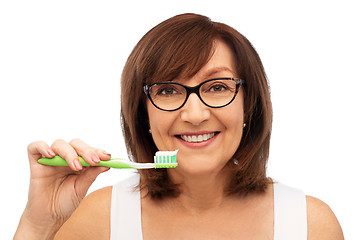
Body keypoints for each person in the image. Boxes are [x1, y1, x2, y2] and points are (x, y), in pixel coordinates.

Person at [14, 13, 343, 239]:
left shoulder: (310, 224)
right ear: (144, 114)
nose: (195, 113)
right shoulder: (97, 220)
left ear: (249, 105)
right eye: (168, 90)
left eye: (217, 87)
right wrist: (39, 225)